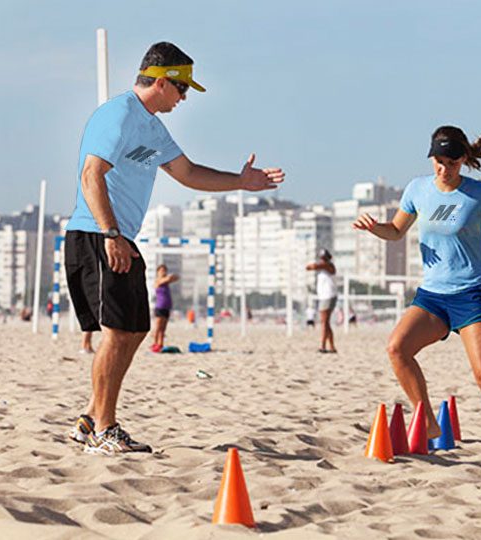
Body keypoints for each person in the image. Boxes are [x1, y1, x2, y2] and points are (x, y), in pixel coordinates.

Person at [65, 42, 285, 454]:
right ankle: (104, 429)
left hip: (120, 236)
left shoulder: (152, 128)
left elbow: (187, 173)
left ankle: (91, 417)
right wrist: (111, 234)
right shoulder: (119, 114)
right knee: (115, 333)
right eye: (182, 90)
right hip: (96, 233)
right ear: (163, 81)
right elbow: (91, 174)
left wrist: (241, 181)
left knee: (136, 330)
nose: (184, 99)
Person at [353, 125, 481, 456]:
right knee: (397, 349)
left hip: (472, 294)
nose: (442, 168)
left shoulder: (480, 194)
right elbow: (395, 231)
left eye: (450, 161)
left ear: (463, 159)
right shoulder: (417, 189)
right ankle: (430, 422)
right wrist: (373, 228)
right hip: (432, 296)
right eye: (437, 160)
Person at [306, 248, 338, 353]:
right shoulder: (323, 268)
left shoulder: (329, 266)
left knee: (324, 322)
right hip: (324, 296)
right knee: (326, 323)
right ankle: (331, 346)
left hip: (328, 296)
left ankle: (323, 346)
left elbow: (312, 266)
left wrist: (315, 264)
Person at [151, 264, 178, 352]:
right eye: (161, 270)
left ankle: (160, 344)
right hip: (160, 307)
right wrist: (169, 277)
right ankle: (154, 344)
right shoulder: (158, 281)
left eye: (164, 270)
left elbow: (176, 277)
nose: (163, 272)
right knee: (158, 328)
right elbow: (167, 279)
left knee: (163, 329)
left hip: (167, 307)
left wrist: (171, 277)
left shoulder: (166, 282)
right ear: (158, 272)